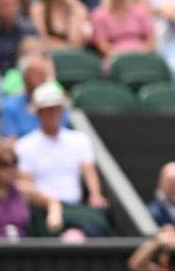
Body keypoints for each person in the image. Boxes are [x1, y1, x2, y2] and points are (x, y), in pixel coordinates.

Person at [15, 81, 108, 215]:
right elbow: (25, 183)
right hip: (42, 209)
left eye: (56, 109)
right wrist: (51, 205)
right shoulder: (24, 145)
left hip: (76, 208)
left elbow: (89, 172)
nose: (52, 114)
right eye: (47, 110)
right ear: (39, 113)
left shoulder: (80, 139)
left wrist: (95, 195)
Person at [0, 143, 63, 240]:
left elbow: (52, 201)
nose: (11, 170)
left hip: (21, 246)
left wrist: (54, 215)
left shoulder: (22, 190)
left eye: (14, 164)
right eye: (4, 165)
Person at [90, 0, 156, 63]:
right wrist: (123, 55)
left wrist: (141, 53)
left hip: (142, 56)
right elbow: (102, 45)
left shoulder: (140, 10)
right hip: (116, 59)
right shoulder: (99, 15)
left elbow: (151, 40)